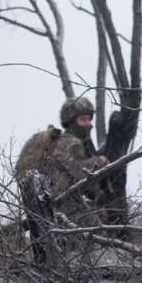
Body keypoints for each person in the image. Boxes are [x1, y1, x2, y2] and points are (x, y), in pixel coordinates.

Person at [15, 96, 110, 263]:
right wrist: (100, 162)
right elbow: (77, 170)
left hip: (50, 202)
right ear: (70, 121)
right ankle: (90, 271)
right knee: (96, 228)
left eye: (89, 119)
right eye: (82, 120)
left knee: (55, 244)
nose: (88, 124)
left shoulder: (57, 142)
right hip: (62, 201)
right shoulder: (70, 142)